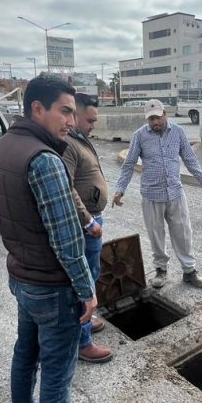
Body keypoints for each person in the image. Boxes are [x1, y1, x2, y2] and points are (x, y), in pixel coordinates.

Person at [0, 77, 119, 403]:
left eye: (74, 113)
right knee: (57, 374)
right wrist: (86, 290)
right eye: (64, 111)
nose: (71, 121)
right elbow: (65, 238)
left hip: (22, 277)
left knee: (26, 353)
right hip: (52, 286)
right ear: (37, 109)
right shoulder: (44, 160)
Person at [113, 99, 202, 289]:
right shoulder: (139, 136)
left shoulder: (178, 132)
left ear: (165, 114)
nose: (155, 122)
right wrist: (120, 189)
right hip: (151, 194)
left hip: (175, 192)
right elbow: (129, 164)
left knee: (183, 233)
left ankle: (189, 271)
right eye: (151, 119)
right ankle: (160, 270)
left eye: (158, 117)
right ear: (147, 119)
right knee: (156, 235)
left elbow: (190, 159)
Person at [61, 92, 113, 364]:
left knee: (91, 275)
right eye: (90, 120)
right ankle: (83, 342)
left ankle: (86, 322)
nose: (93, 125)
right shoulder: (69, 144)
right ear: (75, 114)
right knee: (85, 281)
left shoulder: (80, 139)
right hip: (86, 225)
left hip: (92, 220)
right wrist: (88, 221)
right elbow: (66, 187)